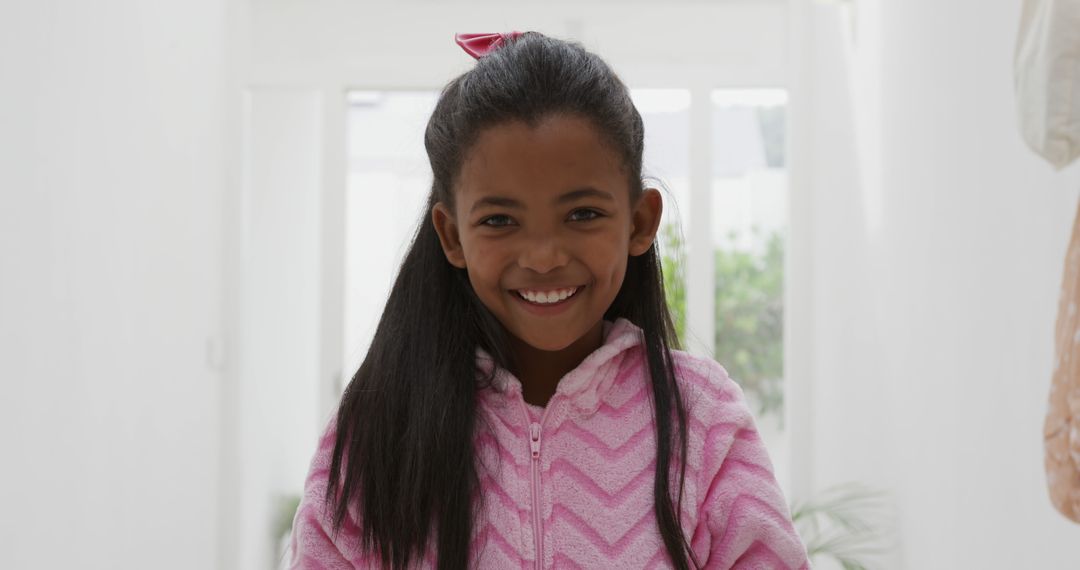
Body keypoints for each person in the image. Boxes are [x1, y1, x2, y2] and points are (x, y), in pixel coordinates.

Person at [285, 31, 810, 570]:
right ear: (452, 236)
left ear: (640, 221)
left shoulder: (701, 418)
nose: (542, 256)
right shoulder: (379, 425)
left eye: (582, 214)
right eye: (499, 220)